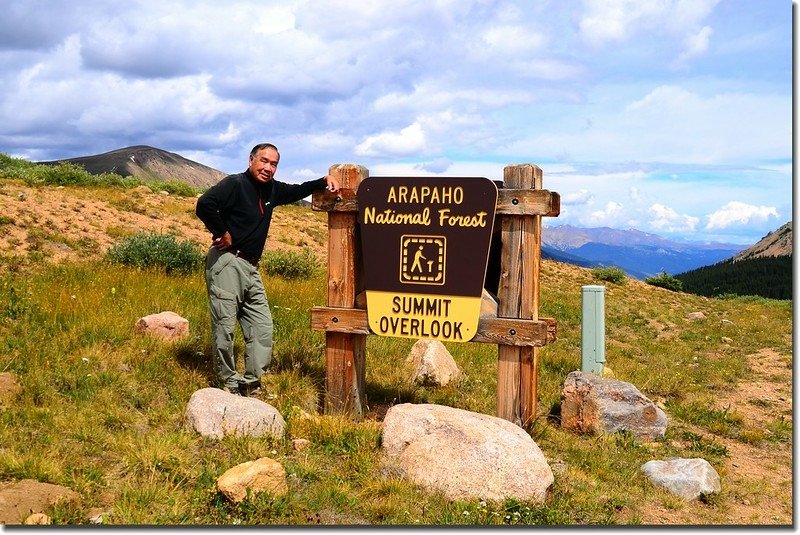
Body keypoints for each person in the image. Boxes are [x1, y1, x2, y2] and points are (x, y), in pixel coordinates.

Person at [195, 143, 340, 396]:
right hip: (227, 261)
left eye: (273, 164)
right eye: (264, 161)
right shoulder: (235, 184)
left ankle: (251, 383)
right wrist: (222, 232)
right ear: (251, 159)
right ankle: (228, 383)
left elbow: (298, 190)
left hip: (251, 267)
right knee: (225, 326)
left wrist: (322, 180)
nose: (268, 168)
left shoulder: (272, 189)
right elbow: (204, 204)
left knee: (262, 327)